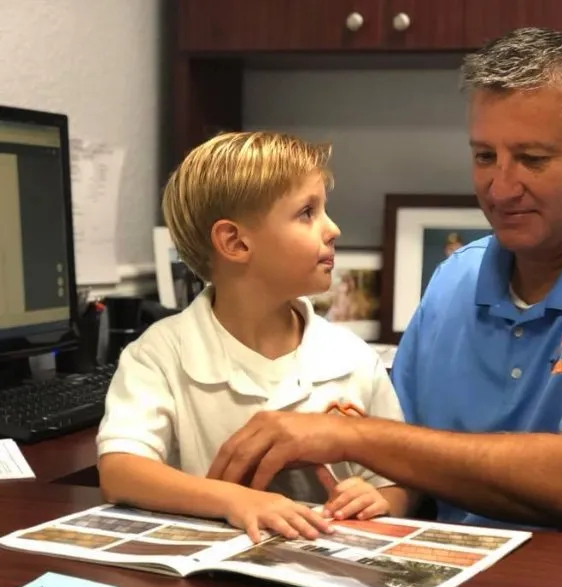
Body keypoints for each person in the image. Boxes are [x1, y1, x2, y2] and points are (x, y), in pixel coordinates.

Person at [205, 28, 562, 549]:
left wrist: (349, 437)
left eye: (532, 159)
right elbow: (408, 460)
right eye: (485, 156)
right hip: (457, 577)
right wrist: (375, 495)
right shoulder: (456, 278)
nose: (501, 187)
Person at [96, 132, 414, 543]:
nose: (333, 229)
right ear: (235, 242)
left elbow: (403, 479)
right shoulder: (160, 353)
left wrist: (381, 499)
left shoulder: (353, 358)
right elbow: (122, 470)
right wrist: (234, 500)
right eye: (307, 213)